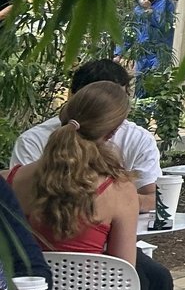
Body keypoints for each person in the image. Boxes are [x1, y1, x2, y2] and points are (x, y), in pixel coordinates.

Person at [6, 83, 176, 290]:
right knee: (153, 280)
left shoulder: (11, 181)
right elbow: (123, 273)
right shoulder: (119, 191)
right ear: (111, 133)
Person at [10, 58, 162, 212]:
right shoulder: (32, 141)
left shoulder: (139, 138)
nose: (110, 110)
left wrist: (115, 201)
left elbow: (154, 197)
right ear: (74, 96)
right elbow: (21, 200)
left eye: (119, 101)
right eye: (99, 102)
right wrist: (116, 200)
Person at [123, 0, 175, 95]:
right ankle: (140, 105)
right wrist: (120, 52)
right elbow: (132, 30)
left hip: (159, 53)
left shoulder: (167, 4)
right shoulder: (138, 7)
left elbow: (164, 26)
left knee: (155, 85)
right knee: (140, 86)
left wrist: (150, 11)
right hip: (142, 54)